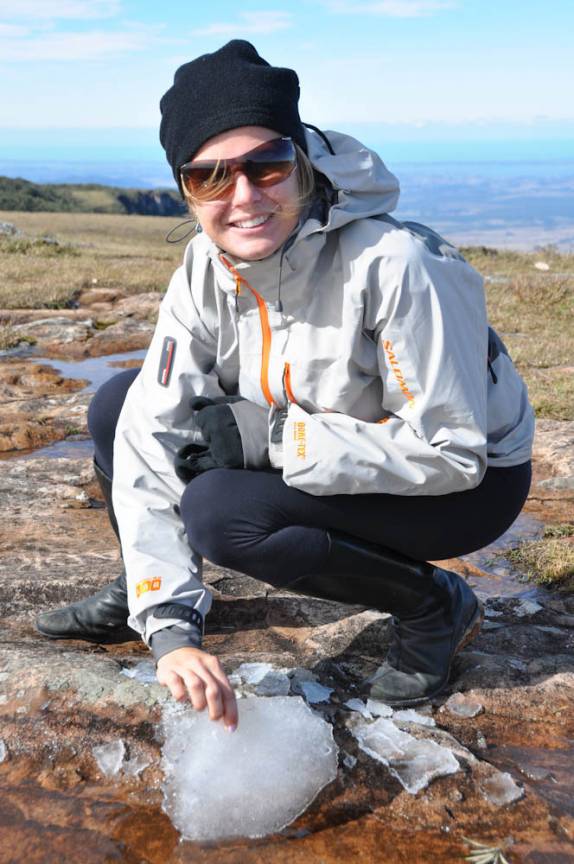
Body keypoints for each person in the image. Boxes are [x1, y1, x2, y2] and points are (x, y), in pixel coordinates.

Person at [37, 40, 534, 733]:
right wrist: (171, 626)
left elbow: (452, 454)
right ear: (185, 187)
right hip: (338, 436)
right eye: (209, 176)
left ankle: (434, 604)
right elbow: (153, 426)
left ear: (300, 160)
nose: (243, 197)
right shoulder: (205, 264)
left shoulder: (400, 264)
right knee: (120, 405)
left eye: (265, 165)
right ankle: (140, 589)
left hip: (467, 487)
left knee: (221, 512)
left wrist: (275, 439)